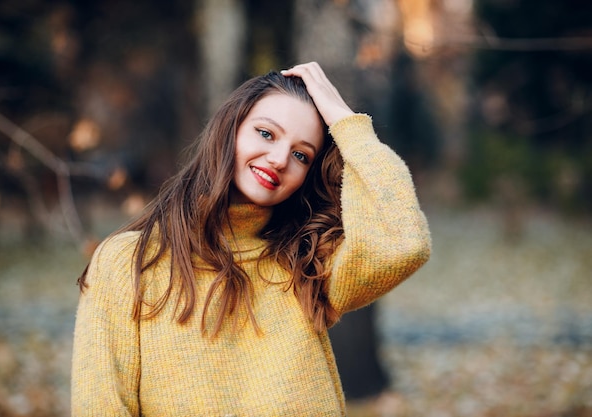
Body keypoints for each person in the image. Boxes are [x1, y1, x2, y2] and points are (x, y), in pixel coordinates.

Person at [71, 62, 431, 416]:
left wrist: (347, 124)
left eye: (300, 155)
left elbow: (404, 242)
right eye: (266, 133)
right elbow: (100, 406)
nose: (278, 159)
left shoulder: (307, 266)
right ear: (230, 129)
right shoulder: (129, 262)